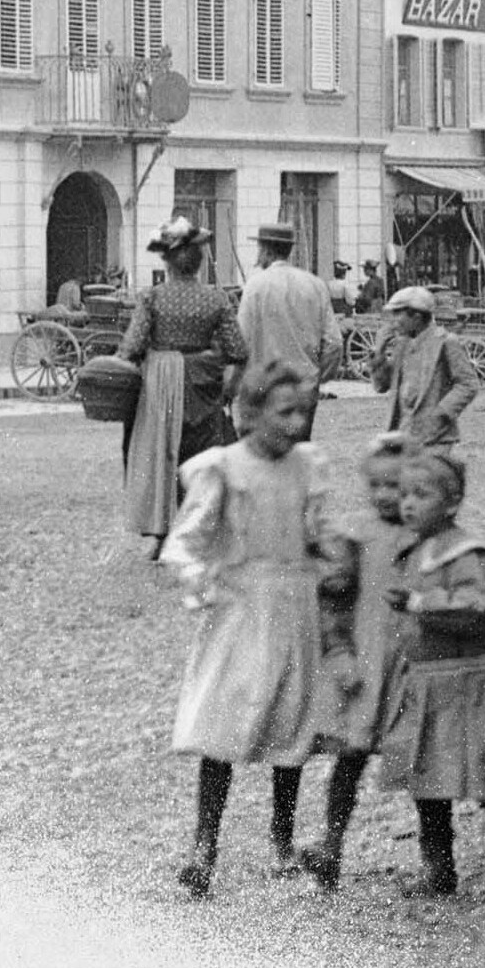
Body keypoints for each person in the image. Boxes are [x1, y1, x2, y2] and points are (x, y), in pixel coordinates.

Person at [161, 363, 340, 898]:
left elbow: (319, 532)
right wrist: (206, 584)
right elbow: (183, 542)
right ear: (249, 413)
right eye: (284, 412)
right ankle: (204, 846)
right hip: (242, 608)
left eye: (302, 411)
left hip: (295, 605)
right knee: (226, 721)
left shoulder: (307, 465)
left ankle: (282, 841)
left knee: (291, 722)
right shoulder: (225, 469)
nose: (295, 422)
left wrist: (336, 559)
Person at [386, 449, 485, 899]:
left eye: (421, 495)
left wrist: (417, 604)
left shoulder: (467, 553)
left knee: (483, 771)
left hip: (467, 679)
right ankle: (439, 868)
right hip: (430, 680)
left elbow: (473, 605)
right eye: (404, 494)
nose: (408, 503)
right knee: (427, 778)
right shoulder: (415, 551)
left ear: (451, 503)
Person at [294, 432, 413, 892]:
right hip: (368, 664)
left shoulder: (426, 538)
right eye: (377, 486)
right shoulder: (359, 537)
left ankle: (443, 860)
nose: (386, 497)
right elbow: (336, 599)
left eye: (398, 488)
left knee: (424, 764)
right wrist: (339, 651)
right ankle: (331, 847)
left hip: (411, 666)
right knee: (350, 757)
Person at [121, 218, 246, 547]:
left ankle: (161, 532)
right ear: (199, 264)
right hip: (202, 382)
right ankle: (201, 529)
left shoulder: (152, 298)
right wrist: (228, 387)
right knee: (201, 454)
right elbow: (238, 350)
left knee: (160, 451)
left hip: (161, 383)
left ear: (167, 263)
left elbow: (133, 346)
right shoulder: (217, 298)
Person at [383, 286, 483, 456]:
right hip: (404, 432)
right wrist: (378, 354)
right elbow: (382, 385)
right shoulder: (402, 346)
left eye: (398, 314)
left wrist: (441, 413)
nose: (394, 320)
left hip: (435, 437)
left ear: (416, 317)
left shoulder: (445, 342)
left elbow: (468, 384)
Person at [239, 221, 336, 390]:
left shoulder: (255, 286)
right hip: (304, 386)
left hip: (264, 387)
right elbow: (334, 342)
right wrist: (317, 376)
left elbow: (242, 339)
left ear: (266, 251)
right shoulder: (316, 285)